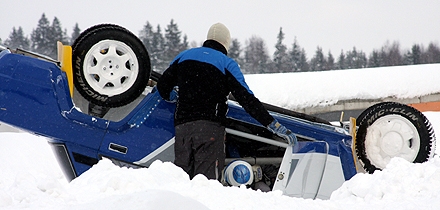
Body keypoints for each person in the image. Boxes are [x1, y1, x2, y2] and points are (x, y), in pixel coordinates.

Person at [156, 23, 297, 181]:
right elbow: (247, 99)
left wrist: (173, 97)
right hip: (209, 129)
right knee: (206, 182)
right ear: (225, 43)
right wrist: (272, 124)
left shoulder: (183, 57)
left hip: (182, 128)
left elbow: (162, 87)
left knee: (181, 178)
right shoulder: (227, 64)